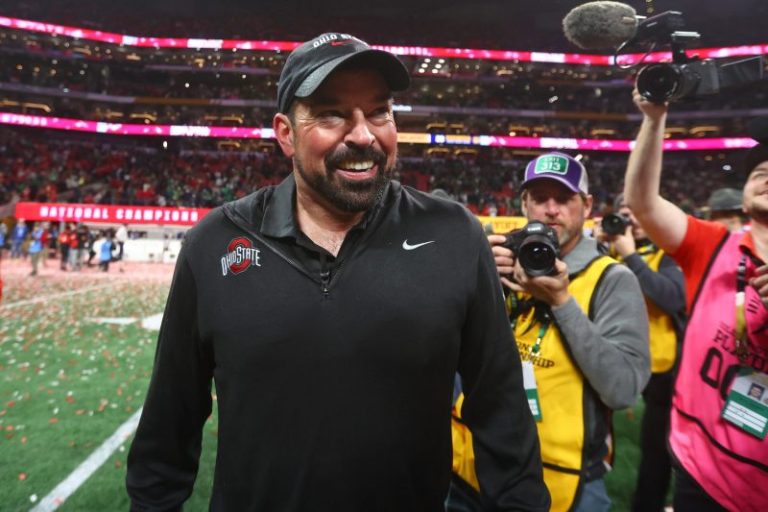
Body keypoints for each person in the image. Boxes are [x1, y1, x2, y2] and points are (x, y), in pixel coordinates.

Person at [126, 33, 550, 512]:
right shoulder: (216, 243)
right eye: (332, 114)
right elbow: (170, 422)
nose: (364, 135)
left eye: (379, 112)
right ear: (285, 133)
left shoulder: (454, 235)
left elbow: (502, 413)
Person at [450, 152, 650, 512]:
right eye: (540, 198)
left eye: (564, 198)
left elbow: (622, 389)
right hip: (468, 468)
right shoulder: (496, 260)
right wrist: (476, 280)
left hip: (560, 480)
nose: (551, 209)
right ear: (524, 203)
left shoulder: (612, 278)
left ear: (586, 205)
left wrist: (562, 302)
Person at [623, 88, 768, 512]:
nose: (764, 175)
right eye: (756, 172)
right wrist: (653, 119)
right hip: (701, 470)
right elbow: (643, 204)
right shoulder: (713, 244)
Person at [600, 194, 686, 512]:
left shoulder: (668, 253)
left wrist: (632, 258)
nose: (631, 221)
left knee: (653, 449)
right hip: (612, 359)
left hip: (660, 370)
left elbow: (674, 298)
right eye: (624, 214)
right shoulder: (608, 250)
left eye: (637, 213)